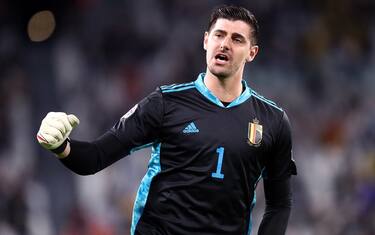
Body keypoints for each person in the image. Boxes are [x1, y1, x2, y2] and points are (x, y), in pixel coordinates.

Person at [37, 5, 297, 235]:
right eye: (219, 35)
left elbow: (279, 204)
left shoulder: (272, 121)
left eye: (237, 39)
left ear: (252, 52)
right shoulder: (165, 103)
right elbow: (94, 158)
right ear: (206, 41)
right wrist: (62, 146)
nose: (225, 44)